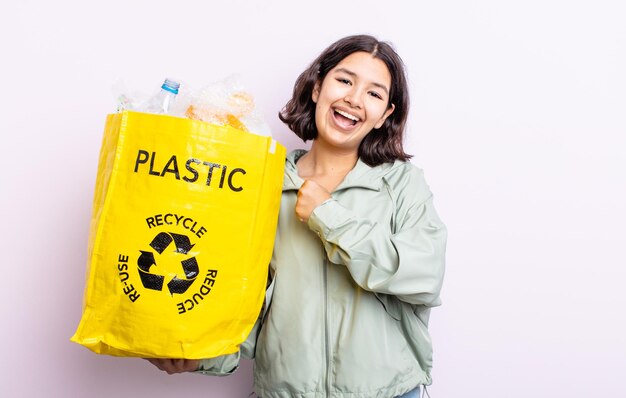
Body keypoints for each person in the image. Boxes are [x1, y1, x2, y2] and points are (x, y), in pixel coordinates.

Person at [147, 34, 447, 398]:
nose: (353, 98)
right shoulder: (261, 183)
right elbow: (245, 302)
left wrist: (327, 215)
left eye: (374, 93)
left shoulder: (402, 184)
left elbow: (422, 276)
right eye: (345, 80)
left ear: (385, 115)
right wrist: (200, 358)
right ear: (318, 87)